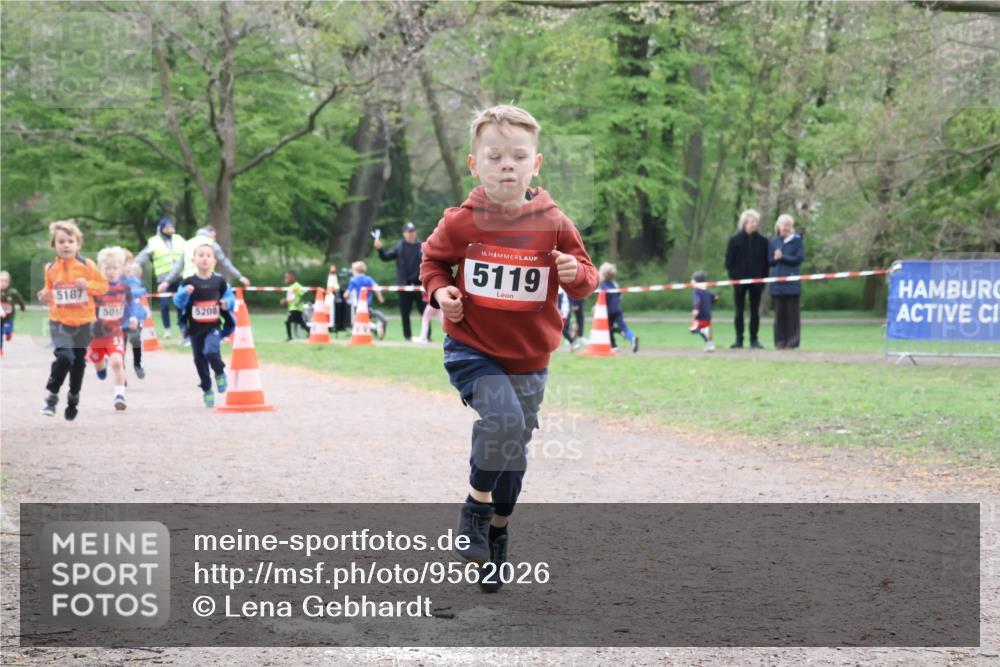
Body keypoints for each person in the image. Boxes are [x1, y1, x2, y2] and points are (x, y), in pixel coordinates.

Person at [420, 104, 599, 592]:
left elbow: (588, 280)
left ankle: (498, 531)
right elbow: (432, 262)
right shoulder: (460, 222)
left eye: (518, 156)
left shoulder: (554, 222)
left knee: (512, 454)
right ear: (474, 164)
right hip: (472, 349)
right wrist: (440, 292)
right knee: (502, 422)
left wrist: (574, 274)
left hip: (529, 359)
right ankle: (474, 510)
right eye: (495, 156)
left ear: (534, 164)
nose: (507, 165)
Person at [37, 220, 109, 420]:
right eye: (61, 241)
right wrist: (44, 295)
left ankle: (73, 396)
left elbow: (103, 287)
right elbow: (49, 292)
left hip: (84, 322)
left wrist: (88, 285)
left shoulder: (87, 265)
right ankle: (51, 397)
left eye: (70, 241)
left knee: (78, 363)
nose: (66, 245)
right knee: (64, 357)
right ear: (54, 245)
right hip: (59, 321)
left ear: (78, 244)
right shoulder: (50, 268)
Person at [172, 243, 236, 408]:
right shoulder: (188, 282)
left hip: (213, 327)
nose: (205, 259)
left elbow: (231, 298)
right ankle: (207, 389)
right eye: (201, 255)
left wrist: (225, 303)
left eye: (208, 256)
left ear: (214, 261)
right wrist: (184, 293)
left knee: (211, 351)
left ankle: (220, 372)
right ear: (194, 260)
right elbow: (178, 303)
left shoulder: (220, 281)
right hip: (194, 330)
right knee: (199, 361)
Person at [88, 247, 141, 410]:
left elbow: (131, 304)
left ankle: (120, 395)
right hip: (96, 335)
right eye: (107, 268)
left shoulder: (125, 288)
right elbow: (87, 305)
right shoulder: (96, 288)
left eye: (115, 268)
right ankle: (99, 364)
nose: (111, 272)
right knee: (99, 364)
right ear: (100, 269)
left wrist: (133, 317)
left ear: (121, 269)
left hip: (115, 333)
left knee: (117, 363)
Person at [724, 208, 770, 349]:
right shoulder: (734, 240)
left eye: (756, 221)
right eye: (751, 222)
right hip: (739, 282)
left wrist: (762, 279)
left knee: (755, 312)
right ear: (744, 223)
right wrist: (736, 278)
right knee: (739, 312)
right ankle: (739, 339)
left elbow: (766, 263)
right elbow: (729, 262)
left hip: (757, 283)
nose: (754, 224)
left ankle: (754, 340)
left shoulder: (763, 241)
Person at [133, 218, 186, 339]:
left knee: (181, 304)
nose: (170, 229)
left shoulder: (179, 239)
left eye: (171, 227)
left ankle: (182, 328)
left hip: (179, 278)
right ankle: (167, 330)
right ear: (161, 229)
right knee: (164, 305)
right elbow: (143, 255)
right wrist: (133, 265)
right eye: (167, 227)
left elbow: (189, 250)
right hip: (163, 280)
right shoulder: (154, 242)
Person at [374, 222, 425, 341]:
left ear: (415, 232)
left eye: (412, 232)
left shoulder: (421, 246)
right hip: (404, 285)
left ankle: (426, 336)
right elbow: (385, 257)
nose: (411, 234)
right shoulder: (399, 246)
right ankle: (407, 337)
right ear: (404, 234)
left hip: (419, 285)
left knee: (424, 312)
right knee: (405, 313)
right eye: (408, 232)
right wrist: (380, 249)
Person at [769, 214, 804, 349]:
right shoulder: (774, 242)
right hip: (777, 284)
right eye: (783, 225)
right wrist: (776, 258)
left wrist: (783, 257)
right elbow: (770, 261)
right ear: (778, 226)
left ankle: (792, 341)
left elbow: (798, 259)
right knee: (779, 314)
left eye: (788, 225)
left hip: (792, 283)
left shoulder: (797, 241)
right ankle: (780, 341)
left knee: (792, 314)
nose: (786, 228)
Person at [598, 262, 639, 353]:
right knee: (623, 327)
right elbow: (620, 296)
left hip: (608, 310)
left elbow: (602, 298)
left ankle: (613, 346)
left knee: (607, 328)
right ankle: (632, 338)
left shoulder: (603, 285)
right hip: (617, 309)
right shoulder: (615, 284)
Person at [121, 259, 148, 379]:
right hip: (120, 319)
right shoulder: (117, 281)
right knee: (121, 346)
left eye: (129, 264)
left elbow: (137, 294)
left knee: (136, 339)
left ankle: (137, 364)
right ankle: (121, 372)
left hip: (135, 318)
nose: (127, 267)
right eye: (124, 264)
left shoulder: (135, 280)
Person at [689, 270, 719, 352]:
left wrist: (696, 309)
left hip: (701, 315)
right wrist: (710, 304)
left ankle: (703, 331)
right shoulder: (707, 291)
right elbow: (716, 297)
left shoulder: (696, 291)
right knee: (707, 330)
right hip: (708, 315)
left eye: (692, 279)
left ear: (695, 281)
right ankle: (710, 346)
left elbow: (697, 300)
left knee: (693, 329)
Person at [1, 270, 27, 356]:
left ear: (9, 282)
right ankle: (0, 349)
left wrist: (22, 311)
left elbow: (21, 302)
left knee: (6, 330)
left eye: (5, 281)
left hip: (9, 318)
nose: (3, 283)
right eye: (1, 281)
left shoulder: (13, 293)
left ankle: (9, 333)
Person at [281, 270, 309, 341]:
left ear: (293, 277)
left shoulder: (297, 286)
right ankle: (311, 333)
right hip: (292, 307)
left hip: (296, 308)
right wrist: (285, 300)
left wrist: (299, 302)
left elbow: (305, 294)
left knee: (288, 322)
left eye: (287, 277)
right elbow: (292, 297)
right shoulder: (291, 286)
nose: (286, 279)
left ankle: (289, 337)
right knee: (301, 323)